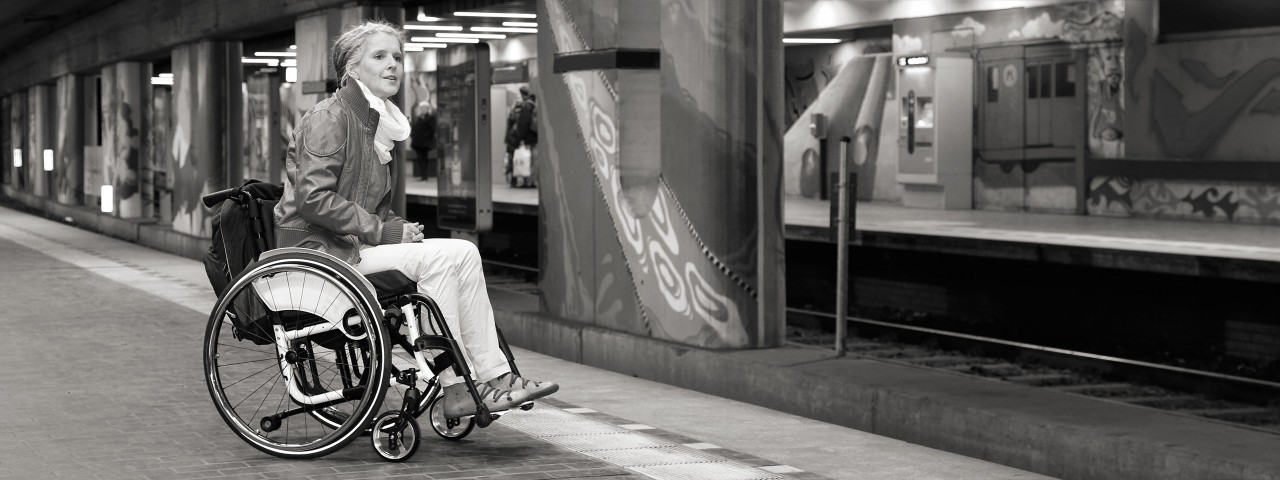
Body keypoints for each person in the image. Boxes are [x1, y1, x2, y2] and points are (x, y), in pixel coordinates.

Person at [273, 20, 558, 419]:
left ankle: (497, 376)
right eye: (380, 56)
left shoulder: (374, 125)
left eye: (397, 56)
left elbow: (365, 202)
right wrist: (384, 230)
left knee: (464, 252)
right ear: (352, 68)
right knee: (438, 261)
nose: (393, 64)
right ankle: (456, 385)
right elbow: (313, 200)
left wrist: (399, 228)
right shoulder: (329, 117)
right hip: (319, 252)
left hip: (350, 245)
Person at [504, 86, 537, 186]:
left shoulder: (524, 107)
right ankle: (528, 181)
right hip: (533, 137)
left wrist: (519, 138)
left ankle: (523, 181)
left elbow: (522, 124)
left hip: (522, 138)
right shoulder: (533, 105)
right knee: (528, 160)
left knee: (522, 159)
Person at [409, 100, 436, 180]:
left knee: (423, 158)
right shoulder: (419, 118)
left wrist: (426, 136)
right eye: (421, 108)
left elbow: (432, 129)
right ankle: (423, 175)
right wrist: (413, 135)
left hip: (425, 143)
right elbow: (415, 128)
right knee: (420, 159)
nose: (422, 110)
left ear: (427, 109)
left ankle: (424, 176)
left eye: (424, 108)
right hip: (418, 142)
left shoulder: (430, 118)